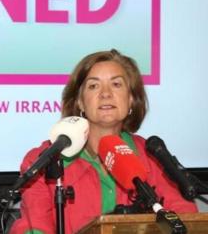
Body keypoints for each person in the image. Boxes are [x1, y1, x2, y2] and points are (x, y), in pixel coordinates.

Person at [10, 49, 198, 234]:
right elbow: (34, 226)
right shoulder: (45, 159)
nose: (106, 93)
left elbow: (186, 219)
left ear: (131, 99)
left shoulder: (153, 157)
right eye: (93, 86)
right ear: (80, 103)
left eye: (116, 84)